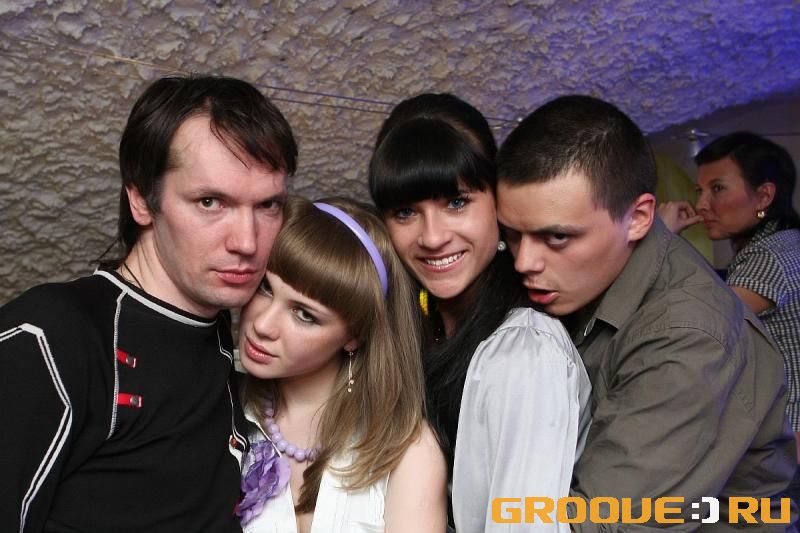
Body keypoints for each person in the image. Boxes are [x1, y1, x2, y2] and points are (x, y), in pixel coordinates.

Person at [0, 74, 298, 532]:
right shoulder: (50, 335)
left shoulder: (229, 344)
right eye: (210, 201)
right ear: (141, 199)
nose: (247, 241)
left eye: (268, 206)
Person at [496, 94, 797, 530]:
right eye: (512, 235)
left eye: (557, 237)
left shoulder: (687, 334)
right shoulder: (581, 277)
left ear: (638, 218)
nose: (525, 261)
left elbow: (601, 523)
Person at [368, 93, 592, 532]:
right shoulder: (419, 329)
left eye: (456, 202)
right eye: (406, 211)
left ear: (499, 202)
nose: (433, 237)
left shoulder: (523, 352)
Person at [237, 196, 447, 533]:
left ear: (354, 336)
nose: (263, 325)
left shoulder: (406, 450)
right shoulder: (216, 413)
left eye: (304, 314)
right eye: (266, 288)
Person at [661, 131, 800, 513]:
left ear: (764, 196)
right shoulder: (782, 244)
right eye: (700, 190)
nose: (702, 204)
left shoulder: (771, 254)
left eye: (717, 189)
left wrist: (660, 238)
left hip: (787, 445)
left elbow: (695, 322)